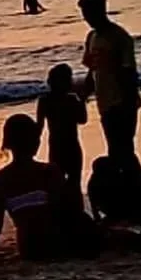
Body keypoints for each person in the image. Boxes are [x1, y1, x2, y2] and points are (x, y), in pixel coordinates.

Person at [0, 114, 99, 264]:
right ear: (35, 141)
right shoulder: (49, 171)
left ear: (8, 144)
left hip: (29, 248)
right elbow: (67, 211)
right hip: (56, 242)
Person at [77, 0, 141, 181]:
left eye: (89, 13)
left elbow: (129, 73)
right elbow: (92, 72)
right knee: (117, 151)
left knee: (123, 150)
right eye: (84, 14)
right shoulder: (91, 37)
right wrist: (82, 98)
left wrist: (128, 104)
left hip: (123, 102)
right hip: (105, 103)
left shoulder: (120, 37)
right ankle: (131, 190)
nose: (87, 18)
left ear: (101, 10)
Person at [35, 64, 87, 204]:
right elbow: (82, 120)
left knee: (57, 185)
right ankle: (77, 213)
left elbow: (39, 127)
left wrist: (33, 146)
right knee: (74, 184)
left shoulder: (44, 101)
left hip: (56, 147)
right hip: (72, 146)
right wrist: (82, 100)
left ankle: (60, 215)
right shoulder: (71, 99)